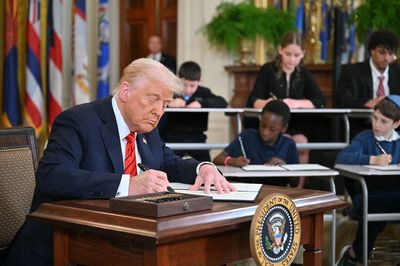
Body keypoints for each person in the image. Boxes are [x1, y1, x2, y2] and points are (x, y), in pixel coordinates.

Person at [4, 58, 235, 266]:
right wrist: (128, 185)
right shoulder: (78, 121)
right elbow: (51, 176)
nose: (158, 112)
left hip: (125, 243)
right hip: (60, 247)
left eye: (164, 104)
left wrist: (203, 168)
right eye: (153, 99)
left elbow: (168, 162)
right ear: (125, 91)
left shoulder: (146, 129)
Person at [244, 31, 326, 167]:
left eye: (296, 55)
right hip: (272, 125)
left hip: (295, 124)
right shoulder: (268, 70)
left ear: (303, 54)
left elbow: (320, 101)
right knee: (285, 142)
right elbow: (253, 100)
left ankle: (299, 186)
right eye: (288, 54)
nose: (292, 59)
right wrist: (268, 103)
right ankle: (281, 183)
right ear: (280, 50)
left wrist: (295, 103)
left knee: (302, 142)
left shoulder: (304, 73)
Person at [335, 95, 400, 266]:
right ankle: (357, 254)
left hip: (395, 195)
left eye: (384, 121)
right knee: (374, 209)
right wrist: (373, 159)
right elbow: (342, 157)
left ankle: (354, 254)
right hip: (368, 195)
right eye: (375, 117)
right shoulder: (365, 137)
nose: (376, 124)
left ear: (396, 124)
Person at [214, 100, 301, 187]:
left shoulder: (288, 144)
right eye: (263, 125)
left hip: (274, 193)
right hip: (245, 188)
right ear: (260, 119)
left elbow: (295, 183)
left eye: (272, 129)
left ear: (284, 128)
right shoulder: (246, 137)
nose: (265, 132)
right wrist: (232, 161)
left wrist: (285, 168)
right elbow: (217, 159)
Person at [162, 61, 228, 161]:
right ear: (178, 78)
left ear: (200, 80)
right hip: (173, 138)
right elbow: (156, 103)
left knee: (207, 166)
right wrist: (169, 103)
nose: (188, 89)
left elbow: (222, 102)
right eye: (184, 85)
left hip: (197, 138)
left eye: (192, 86)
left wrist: (202, 104)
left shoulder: (203, 92)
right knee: (166, 163)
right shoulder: (171, 91)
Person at [336, 30, 400, 109]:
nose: (387, 58)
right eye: (382, 53)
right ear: (372, 51)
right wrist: (366, 104)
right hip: (362, 120)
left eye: (390, 54)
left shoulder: (397, 74)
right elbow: (342, 101)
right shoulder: (351, 72)